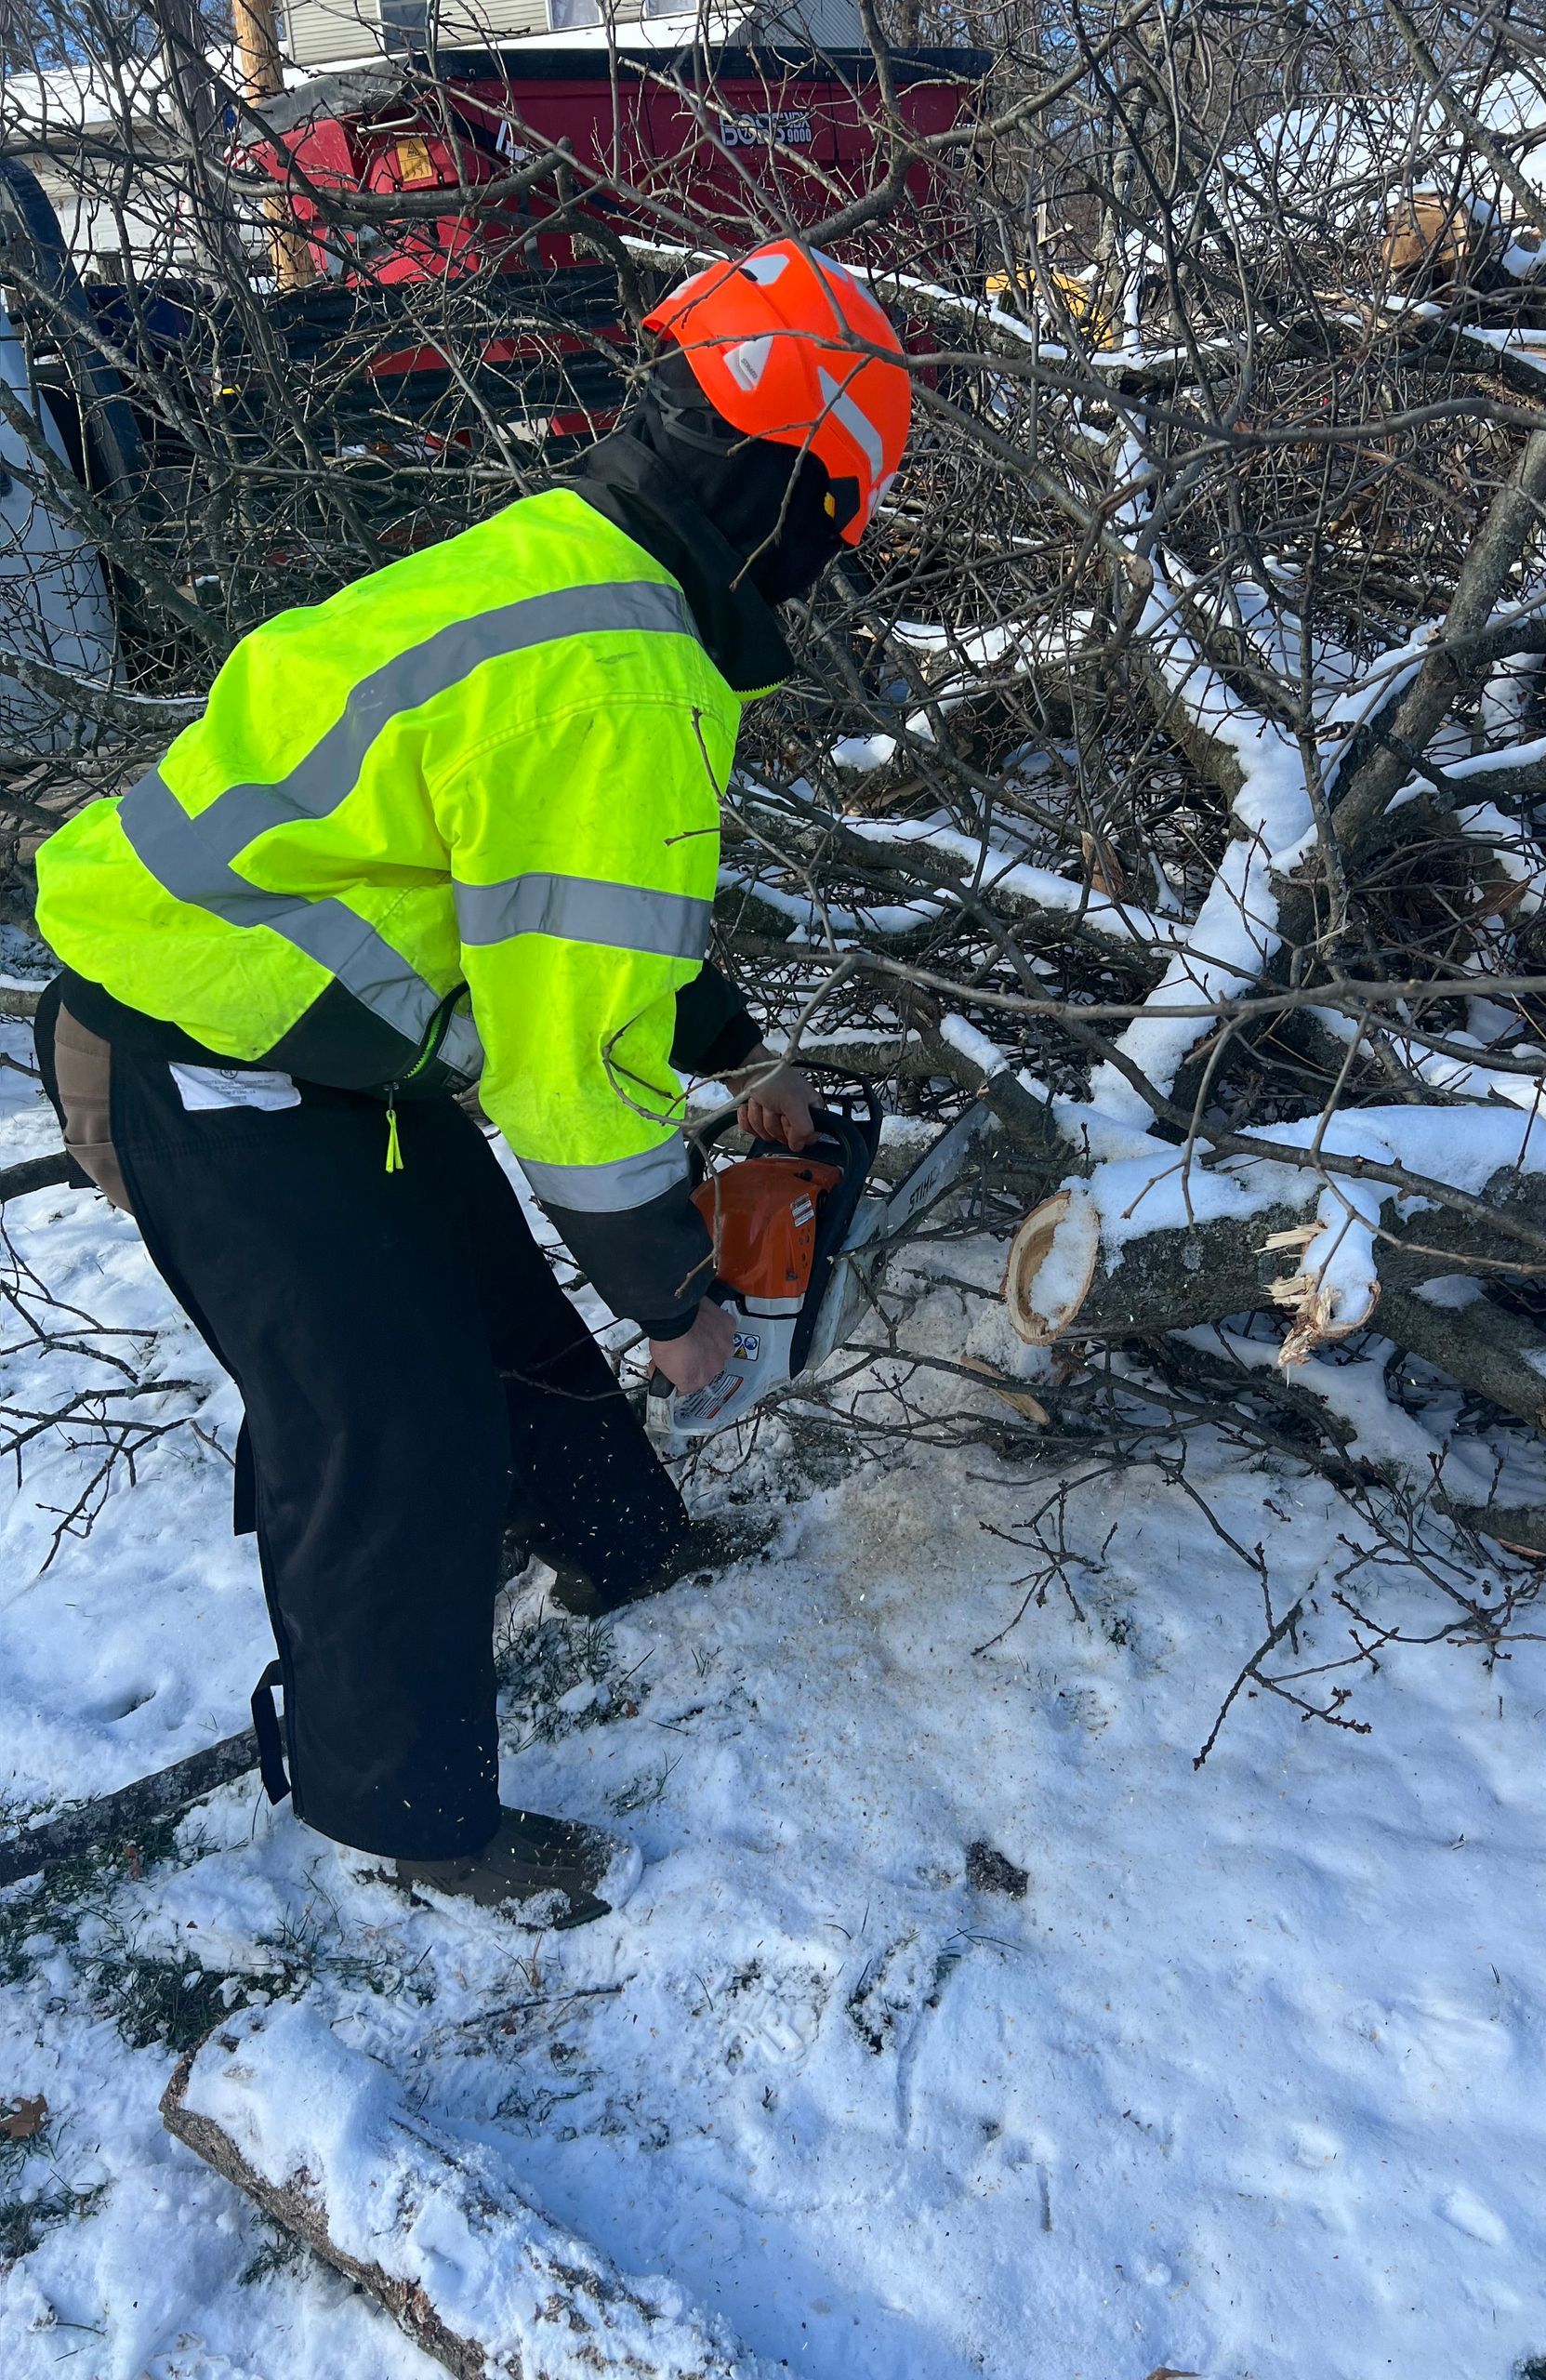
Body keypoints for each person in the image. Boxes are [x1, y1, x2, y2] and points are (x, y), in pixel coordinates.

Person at [30, 241, 912, 1926]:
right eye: (839, 523)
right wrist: (679, 1301)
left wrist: (740, 1060)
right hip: (195, 1034)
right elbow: (570, 1074)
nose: (831, 560)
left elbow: (567, 915)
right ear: (791, 488)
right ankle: (403, 1814)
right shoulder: (622, 672)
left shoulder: (587, 570)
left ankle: (620, 1544)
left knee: (494, 1306)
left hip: (309, 1032)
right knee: (387, 1426)